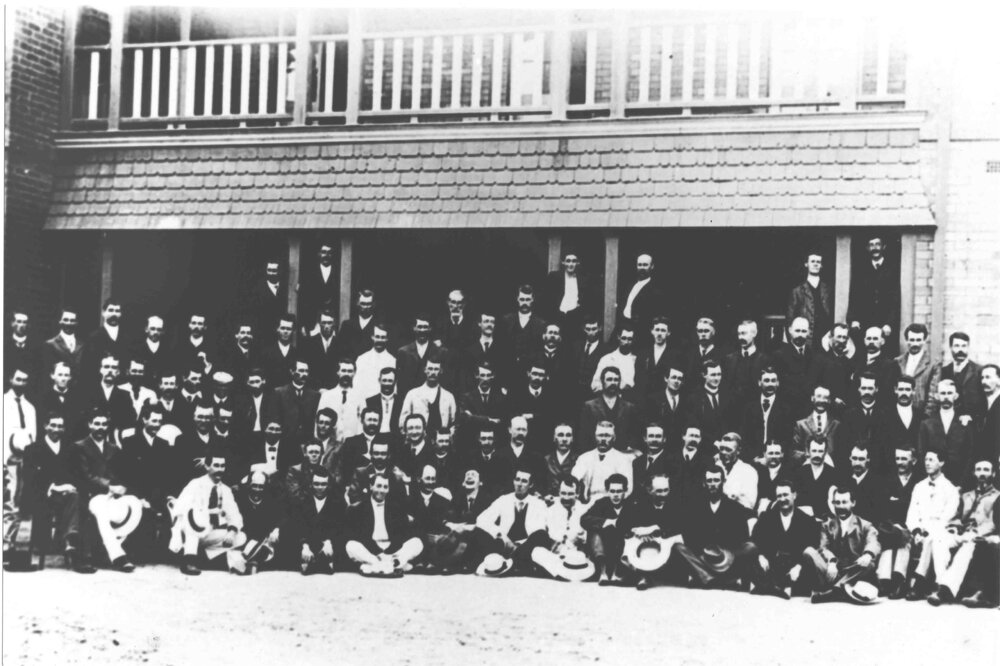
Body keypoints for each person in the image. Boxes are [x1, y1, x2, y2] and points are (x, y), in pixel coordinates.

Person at [74, 408, 143, 572]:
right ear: (90, 424)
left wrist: (121, 487)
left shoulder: (113, 448)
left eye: (104, 424)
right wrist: (109, 486)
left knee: (134, 504)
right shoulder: (79, 447)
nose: (101, 427)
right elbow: (85, 477)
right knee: (101, 509)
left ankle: (109, 551)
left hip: (114, 496)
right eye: (97, 423)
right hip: (91, 495)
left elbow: (121, 474)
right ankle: (118, 556)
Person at [924, 458, 999, 606]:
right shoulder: (966, 495)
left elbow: (993, 524)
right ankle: (941, 584)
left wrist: (977, 533)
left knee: (968, 546)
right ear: (973, 473)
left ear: (993, 474)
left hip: (979, 535)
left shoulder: (997, 496)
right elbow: (957, 518)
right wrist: (954, 527)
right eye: (978, 470)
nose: (982, 473)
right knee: (939, 540)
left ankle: (944, 591)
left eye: (986, 470)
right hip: (962, 533)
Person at [20, 411, 87, 572]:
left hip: (65, 495)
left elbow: (76, 474)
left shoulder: (70, 449)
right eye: (53, 425)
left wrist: (67, 486)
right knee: (72, 499)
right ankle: (69, 541)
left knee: (74, 496)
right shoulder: (33, 449)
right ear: (45, 426)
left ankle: (69, 540)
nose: (57, 429)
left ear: (64, 428)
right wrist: (54, 487)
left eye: (60, 426)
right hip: (42, 495)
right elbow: (30, 477)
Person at [672, 465, 756, 589]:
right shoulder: (694, 506)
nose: (713, 484)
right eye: (709, 481)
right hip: (703, 557)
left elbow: (742, 537)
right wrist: (706, 552)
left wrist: (723, 552)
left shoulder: (735, 508)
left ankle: (712, 578)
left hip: (727, 558)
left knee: (750, 547)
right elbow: (688, 536)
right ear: (704, 483)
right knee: (678, 547)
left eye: (716, 480)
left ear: (723, 482)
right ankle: (708, 578)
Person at [169, 448, 247, 575]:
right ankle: (189, 560)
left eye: (222, 466)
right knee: (194, 519)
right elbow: (180, 508)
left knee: (241, 537)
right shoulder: (195, 484)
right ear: (207, 467)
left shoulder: (226, 490)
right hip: (189, 530)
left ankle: (203, 558)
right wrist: (207, 512)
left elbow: (234, 514)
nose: (220, 469)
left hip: (209, 533)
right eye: (216, 465)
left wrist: (232, 532)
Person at [803, 486, 881, 603]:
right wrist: (832, 562)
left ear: (853, 503)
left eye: (844, 502)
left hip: (853, 572)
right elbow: (823, 547)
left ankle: (834, 592)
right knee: (808, 551)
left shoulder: (865, 525)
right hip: (831, 572)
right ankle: (840, 591)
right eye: (837, 502)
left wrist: (868, 554)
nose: (840, 506)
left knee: (869, 563)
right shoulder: (827, 525)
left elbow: (873, 542)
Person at [904, 449, 961, 600]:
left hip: (942, 532)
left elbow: (947, 518)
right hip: (920, 531)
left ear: (941, 463)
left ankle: (920, 583)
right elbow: (912, 513)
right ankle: (939, 586)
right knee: (931, 539)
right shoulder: (919, 486)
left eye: (931, 460)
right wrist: (916, 531)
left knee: (934, 539)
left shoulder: (950, 489)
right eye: (926, 460)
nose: (927, 463)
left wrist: (927, 532)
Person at [749, 478, 821, 598]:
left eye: (785, 495)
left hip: (794, 567)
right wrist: (760, 556)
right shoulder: (766, 517)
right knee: (753, 562)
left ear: (794, 495)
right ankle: (779, 587)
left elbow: (813, 546)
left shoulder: (807, 520)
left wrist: (799, 566)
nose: (782, 499)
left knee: (806, 574)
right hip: (771, 564)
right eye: (779, 496)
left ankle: (770, 587)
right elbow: (754, 539)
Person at [471, 466, 549, 573]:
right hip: (504, 544)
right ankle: (515, 563)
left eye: (524, 481)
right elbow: (482, 519)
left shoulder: (539, 504)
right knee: (479, 532)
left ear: (531, 485)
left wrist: (518, 546)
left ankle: (517, 560)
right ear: (513, 481)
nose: (519, 484)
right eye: (517, 479)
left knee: (541, 535)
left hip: (526, 546)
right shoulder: (504, 499)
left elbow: (539, 529)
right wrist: (500, 535)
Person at [344, 473, 423, 576]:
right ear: (371, 486)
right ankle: (389, 565)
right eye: (379, 486)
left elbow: (401, 534)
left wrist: (389, 553)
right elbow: (361, 536)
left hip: (391, 550)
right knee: (351, 545)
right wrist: (379, 553)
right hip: (370, 549)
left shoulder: (396, 508)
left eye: (385, 487)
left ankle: (383, 565)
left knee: (417, 542)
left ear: (388, 489)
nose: (382, 490)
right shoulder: (359, 508)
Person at [619, 473, 686, 590]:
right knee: (636, 547)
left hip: (666, 542)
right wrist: (636, 530)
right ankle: (643, 577)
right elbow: (622, 523)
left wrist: (656, 528)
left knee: (679, 544)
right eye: (659, 491)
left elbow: (681, 524)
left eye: (666, 490)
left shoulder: (675, 502)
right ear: (649, 490)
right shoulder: (639, 503)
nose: (663, 494)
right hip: (645, 544)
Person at [876, 446, 920, 599]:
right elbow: (881, 508)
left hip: (910, 526)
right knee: (891, 538)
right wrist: (892, 525)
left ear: (914, 461)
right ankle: (884, 580)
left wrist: (907, 527)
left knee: (904, 539)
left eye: (904, 459)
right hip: (889, 526)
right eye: (897, 458)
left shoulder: (919, 482)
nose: (899, 462)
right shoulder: (887, 481)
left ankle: (898, 580)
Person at [529, 474, 593, 581]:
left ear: (577, 494)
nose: (566, 497)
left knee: (580, 557)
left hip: (576, 556)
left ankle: (561, 573)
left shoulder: (585, 511)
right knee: (537, 551)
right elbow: (540, 532)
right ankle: (562, 573)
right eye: (563, 493)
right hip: (555, 556)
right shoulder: (550, 510)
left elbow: (588, 538)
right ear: (559, 493)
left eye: (570, 494)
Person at [848, 235, 900, 356]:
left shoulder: (892, 268)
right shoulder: (861, 269)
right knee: (863, 352)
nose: (875, 248)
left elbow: (895, 298)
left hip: (884, 320)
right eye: (871, 245)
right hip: (865, 319)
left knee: (885, 353)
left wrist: (889, 323)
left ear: (883, 247)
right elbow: (854, 295)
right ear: (867, 248)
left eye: (877, 244)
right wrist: (853, 319)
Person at [408, 464, 465, 573]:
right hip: (417, 545)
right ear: (419, 479)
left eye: (433, 479)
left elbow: (445, 524)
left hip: (436, 546)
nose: (431, 482)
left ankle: (434, 563)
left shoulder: (444, 502)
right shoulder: (409, 500)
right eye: (427, 478)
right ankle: (419, 562)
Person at [918, 379, 973, 486]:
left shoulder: (965, 423)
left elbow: (970, 455)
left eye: (950, 393)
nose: (946, 397)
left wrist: (961, 485)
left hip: (958, 480)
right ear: (937, 396)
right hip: (933, 481)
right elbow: (922, 454)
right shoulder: (927, 424)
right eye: (943, 393)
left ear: (956, 396)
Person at [289, 468, 343, 575]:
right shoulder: (302, 501)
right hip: (308, 541)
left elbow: (339, 527)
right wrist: (304, 546)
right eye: (316, 484)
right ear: (311, 484)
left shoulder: (337, 502)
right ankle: (316, 561)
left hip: (327, 543)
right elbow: (298, 526)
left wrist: (329, 541)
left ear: (328, 485)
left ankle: (318, 562)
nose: (320, 487)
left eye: (323, 484)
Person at [580, 473, 632, 584]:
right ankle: (602, 573)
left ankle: (616, 572)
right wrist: (605, 522)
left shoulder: (631, 505)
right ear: (607, 491)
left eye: (619, 491)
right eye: (612, 491)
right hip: (602, 551)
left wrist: (619, 525)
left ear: (625, 491)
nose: (615, 495)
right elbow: (584, 519)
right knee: (593, 531)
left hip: (621, 551)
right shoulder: (602, 503)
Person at [737, 367, 793, 462]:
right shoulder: (749, 408)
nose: (770, 384)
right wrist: (754, 458)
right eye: (766, 380)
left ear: (778, 383)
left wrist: (772, 457)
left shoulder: (786, 409)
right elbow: (744, 436)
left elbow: (787, 439)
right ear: (759, 383)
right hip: (752, 459)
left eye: (773, 381)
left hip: (776, 459)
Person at [579, 367, 639, 452]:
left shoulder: (629, 407)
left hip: (622, 454)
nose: (613, 383)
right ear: (602, 381)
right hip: (597, 454)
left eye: (616, 380)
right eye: (609, 379)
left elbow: (634, 434)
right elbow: (584, 436)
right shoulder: (589, 406)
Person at [233, 471, 283, 573]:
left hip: (263, 537)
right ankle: (252, 561)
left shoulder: (270, 499)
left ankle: (252, 561)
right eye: (254, 486)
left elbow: (280, 517)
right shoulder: (240, 498)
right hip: (244, 536)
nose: (257, 489)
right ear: (249, 485)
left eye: (261, 487)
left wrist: (276, 529)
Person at [771, 317, 821, 419]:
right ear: (790, 330)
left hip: (809, 412)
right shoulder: (779, 356)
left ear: (808, 332)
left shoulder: (815, 357)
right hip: (786, 412)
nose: (800, 335)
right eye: (797, 331)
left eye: (803, 331)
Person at [572, 421, 634, 503]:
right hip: (588, 504)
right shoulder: (584, 458)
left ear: (614, 438)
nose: (603, 439)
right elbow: (572, 481)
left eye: (607, 435)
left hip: (612, 503)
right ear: (595, 436)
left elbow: (628, 489)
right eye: (600, 435)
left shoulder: (623, 459)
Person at [457, 361, 509, 454]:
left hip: (495, 446)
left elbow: (502, 421)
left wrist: (474, 418)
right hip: (472, 446)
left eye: (488, 375)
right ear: (476, 376)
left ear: (492, 376)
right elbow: (465, 418)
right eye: (482, 375)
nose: (485, 379)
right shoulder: (467, 397)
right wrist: (489, 420)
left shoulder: (500, 398)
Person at [542, 251, 594, 340]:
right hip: (557, 317)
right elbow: (547, 299)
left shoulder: (584, 279)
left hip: (575, 317)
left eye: (574, 261)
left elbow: (588, 301)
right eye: (568, 261)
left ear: (578, 263)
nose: (571, 264)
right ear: (563, 262)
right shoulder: (554, 277)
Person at [875, 375, 923, 473]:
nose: (904, 393)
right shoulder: (884, 415)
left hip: (915, 471)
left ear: (913, 391)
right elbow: (880, 445)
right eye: (901, 389)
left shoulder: (921, 416)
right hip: (889, 470)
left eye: (907, 389)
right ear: (895, 390)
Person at [399, 357, 457, 436]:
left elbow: (454, 424)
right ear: (425, 370)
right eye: (430, 369)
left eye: (436, 369)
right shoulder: (412, 394)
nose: (432, 372)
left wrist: (447, 438)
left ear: (441, 371)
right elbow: (403, 422)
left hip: (440, 441)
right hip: (419, 439)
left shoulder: (449, 397)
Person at [786, 252, 833, 349]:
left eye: (818, 262)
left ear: (821, 265)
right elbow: (790, 318)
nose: (815, 264)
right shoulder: (797, 291)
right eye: (812, 261)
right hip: (806, 338)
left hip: (825, 337)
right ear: (806, 264)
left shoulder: (828, 289)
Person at [617, 253, 665, 344]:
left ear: (652, 266)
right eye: (639, 265)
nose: (642, 267)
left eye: (645, 265)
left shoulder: (655, 291)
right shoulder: (630, 286)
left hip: (640, 332)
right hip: (623, 327)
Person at [837, 372, 881, 469]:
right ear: (859, 389)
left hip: (878, 468)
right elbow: (843, 446)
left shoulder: (884, 415)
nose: (867, 392)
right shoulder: (848, 416)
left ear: (876, 389)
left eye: (870, 388)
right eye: (864, 388)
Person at [722, 320, 770, 409]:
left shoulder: (764, 360)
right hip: (733, 408)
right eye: (739, 334)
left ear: (754, 333)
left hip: (756, 410)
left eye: (744, 333)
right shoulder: (729, 359)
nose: (740, 337)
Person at [317, 359, 366, 445]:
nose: (346, 374)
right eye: (343, 370)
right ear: (338, 372)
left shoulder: (359, 397)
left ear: (354, 373)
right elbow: (318, 421)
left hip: (352, 443)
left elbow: (363, 422)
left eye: (350, 371)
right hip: (330, 444)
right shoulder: (327, 396)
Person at [81, 300, 126, 393]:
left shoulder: (126, 338)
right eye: (111, 310)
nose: (114, 314)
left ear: (121, 314)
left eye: (117, 311)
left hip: (121, 387)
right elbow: (87, 367)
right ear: (103, 312)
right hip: (98, 388)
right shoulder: (93, 338)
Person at [498, 285, 546, 372]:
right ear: (517, 299)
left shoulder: (540, 324)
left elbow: (540, 350)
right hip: (509, 369)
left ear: (532, 300)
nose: (524, 303)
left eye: (527, 300)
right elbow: (502, 347)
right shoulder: (507, 320)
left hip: (531, 370)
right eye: (522, 299)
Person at [272, 359, 321, 443]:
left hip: (307, 441)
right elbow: (275, 418)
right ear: (292, 372)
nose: (304, 374)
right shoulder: (279, 393)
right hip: (285, 441)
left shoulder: (315, 395)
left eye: (306, 371)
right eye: (301, 371)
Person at [396, 315, 446, 396]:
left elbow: (443, 380)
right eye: (419, 327)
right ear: (414, 328)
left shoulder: (440, 352)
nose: (422, 330)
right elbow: (400, 382)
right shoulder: (403, 352)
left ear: (430, 329)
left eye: (425, 327)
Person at [689, 360, 736, 445]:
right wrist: (714, 442)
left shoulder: (728, 396)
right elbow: (695, 426)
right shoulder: (695, 398)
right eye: (713, 375)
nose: (717, 378)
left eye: (719, 374)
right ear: (704, 375)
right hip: (704, 445)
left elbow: (733, 422)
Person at [643, 363, 691, 446]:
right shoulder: (653, 399)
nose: (676, 381)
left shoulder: (686, 401)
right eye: (673, 377)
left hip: (679, 445)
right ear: (666, 378)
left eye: (679, 379)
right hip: (659, 445)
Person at [791, 386, 840, 465]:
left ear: (829, 401)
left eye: (825, 398)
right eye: (819, 396)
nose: (821, 400)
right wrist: (809, 456)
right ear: (812, 398)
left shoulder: (836, 424)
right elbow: (794, 452)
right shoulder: (801, 424)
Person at [892, 323, 935, 414]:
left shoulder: (933, 364)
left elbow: (932, 396)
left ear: (924, 340)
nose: (915, 343)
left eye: (918, 340)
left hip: (921, 414)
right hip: (899, 413)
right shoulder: (897, 362)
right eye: (912, 340)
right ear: (906, 340)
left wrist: (926, 417)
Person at [297, 241, 339, 333]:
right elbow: (303, 299)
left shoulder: (338, 272)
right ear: (319, 253)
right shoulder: (309, 272)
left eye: (329, 252)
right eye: (323, 252)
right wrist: (302, 323)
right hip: (312, 319)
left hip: (332, 319)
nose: (326, 255)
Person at [634, 317, 679, 399]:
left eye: (663, 330)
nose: (659, 333)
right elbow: (638, 378)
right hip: (644, 397)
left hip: (664, 398)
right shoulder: (643, 354)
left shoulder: (675, 355)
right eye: (657, 330)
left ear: (668, 333)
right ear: (652, 331)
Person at [792, 438, 837, 519]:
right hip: (802, 519)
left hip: (824, 520)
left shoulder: (833, 474)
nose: (817, 455)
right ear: (808, 451)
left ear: (825, 452)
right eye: (814, 451)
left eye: (820, 451)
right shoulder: (799, 473)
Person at [465, 428, 515, 498]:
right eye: (483, 439)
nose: (487, 442)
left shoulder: (503, 459)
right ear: (479, 440)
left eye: (490, 439)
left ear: (494, 440)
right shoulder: (472, 458)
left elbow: (507, 484)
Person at [570, 314, 609, 403]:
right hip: (574, 393)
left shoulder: (605, 350)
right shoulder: (575, 346)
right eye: (588, 329)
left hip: (593, 395)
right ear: (583, 329)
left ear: (600, 328)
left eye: (594, 329)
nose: (591, 332)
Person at [717, 432, 758, 513]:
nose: (723, 452)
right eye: (721, 449)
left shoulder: (748, 471)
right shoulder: (713, 467)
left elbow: (749, 504)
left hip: (737, 515)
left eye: (728, 450)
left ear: (738, 451)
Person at [499, 416, 545, 487]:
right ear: (510, 430)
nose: (521, 433)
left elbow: (540, 483)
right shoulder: (499, 455)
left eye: (524, 430)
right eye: (518, 429)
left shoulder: (536, 457)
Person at [590, 326, 637, 396]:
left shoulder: (636, 360)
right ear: (618, 337)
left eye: (630, 339)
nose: (626, 342)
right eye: (624, 338)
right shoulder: (607, 359)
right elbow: (595, 385)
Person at [354, 323, 396, 401]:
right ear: (372, 337)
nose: (379, 340)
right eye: (377, 337)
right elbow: (356, 384)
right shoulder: (362, 359)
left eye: (383, 337)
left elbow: (395, 387)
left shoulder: (392, 361)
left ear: (387, 339)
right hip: (364, 401)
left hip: (384, 402)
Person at [302, 308, 340, 390]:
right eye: (324, 323)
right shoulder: (309, 343)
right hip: (314, 390)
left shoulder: (341, 344)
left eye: (329, 323)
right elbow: (307, 370)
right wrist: (318, 389)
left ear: (334, 324)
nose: (326, 326)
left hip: (334, 390)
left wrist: (331, 390)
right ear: (319, 323)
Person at [232, 367, 275, 439]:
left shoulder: (271, 399)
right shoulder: (241, 400)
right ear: (247, 383)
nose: (255, 385)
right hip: (248, 436)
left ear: (263, 381)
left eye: (257, 381)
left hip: (266, 435)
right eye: (252, 382)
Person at [130, 315, 172, 385]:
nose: (155, 332)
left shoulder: (167, 350)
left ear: (163, 331)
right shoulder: (136, 348)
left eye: (159, 330)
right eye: (152, 329)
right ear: (146, 329)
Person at [259, 313, 298, 388]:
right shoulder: (266, 353)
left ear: (293, 331)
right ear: (277, 329)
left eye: (289, 329)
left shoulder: (297, 353)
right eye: (283, 328)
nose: (285, 331)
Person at [338, 289, 378, 361]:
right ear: (357, 303)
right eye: (363, 303)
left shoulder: (378, 326)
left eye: (368, 304)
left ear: (373, 304)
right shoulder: (347, 325)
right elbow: (340, 350)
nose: (365, 307)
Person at [42, 309, 84, 377]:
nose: (68, 323)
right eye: (65, 320)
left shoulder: (83, 345)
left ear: (76, 323)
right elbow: (48, 371)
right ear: (60, 321)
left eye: (72, 320)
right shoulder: (50, 344)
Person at [542, 424, 579, 501]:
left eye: (568, 435)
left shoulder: (579, 460)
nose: (564, 439)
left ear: (572, 439)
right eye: (560, 435)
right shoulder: (546, 460)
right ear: (554, 438)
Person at [174, 313, 217, 379]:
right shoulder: (180, 345)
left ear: (205, 327)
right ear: (189, 325)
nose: (196, 326)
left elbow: (214, 371)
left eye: (200, 324)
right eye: (193, 323)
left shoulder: (211, 347)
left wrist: (207, 364)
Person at [5, 311, 39, 392]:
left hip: (30, 389)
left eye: (24, 322)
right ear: (12, 323)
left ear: (28, 325)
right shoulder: (4, 343)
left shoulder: (36, 345)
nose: (21, 325)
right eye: (19, 321)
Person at [632, 423, 671, 492]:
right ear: (645, 438)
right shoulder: (637, 462)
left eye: (658, 436)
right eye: (651, 436)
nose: (654, 440)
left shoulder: (672, 462)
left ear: (664, 439)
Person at [754, 441, 791, 514]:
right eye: (770, 453)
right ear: (764, 454)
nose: (773, 456)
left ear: (782, 454)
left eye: (777, 453)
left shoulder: (789, 474)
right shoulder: (757, 472)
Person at [219, 321, 258, 387]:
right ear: (236, 335)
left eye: (248, 333)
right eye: (242, 333)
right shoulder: (228, 354)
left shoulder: (257, 354)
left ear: (252, 336)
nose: (246, 335)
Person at [366, 367, 402, 438]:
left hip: (396, 439)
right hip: (375, 438)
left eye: (390, 381)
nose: (387, 384)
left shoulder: (401, 401)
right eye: (384, 380)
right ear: (379, 380)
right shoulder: (370, 401)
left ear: (395, 381)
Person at [975, 364, 1000, 464]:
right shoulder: (980, 404)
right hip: (982, 459)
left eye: (988, 377)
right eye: (982, 378)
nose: (984, 381)